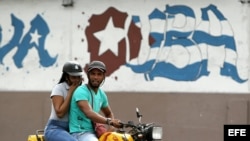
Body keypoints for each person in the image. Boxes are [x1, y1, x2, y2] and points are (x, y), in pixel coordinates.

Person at [69, 60, 121, 141]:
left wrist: (110, 130)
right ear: (88, 75)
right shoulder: (81, 91)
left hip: (93, 133)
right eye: (93, 74)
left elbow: (109, 113)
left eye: (99, 74)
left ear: (104, 76)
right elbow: (89, 113)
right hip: (80, 133)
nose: (96, 77)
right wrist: (110, 122)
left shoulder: (101, 94)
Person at [44, 61, 83, 141]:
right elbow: (60, 113)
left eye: (78, 77)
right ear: (66, 77)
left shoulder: (82, 91)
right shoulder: (59, 88)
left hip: (74, 129)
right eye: (73, 77)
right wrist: (70, 93)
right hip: (56, 128)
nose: (76, 80)